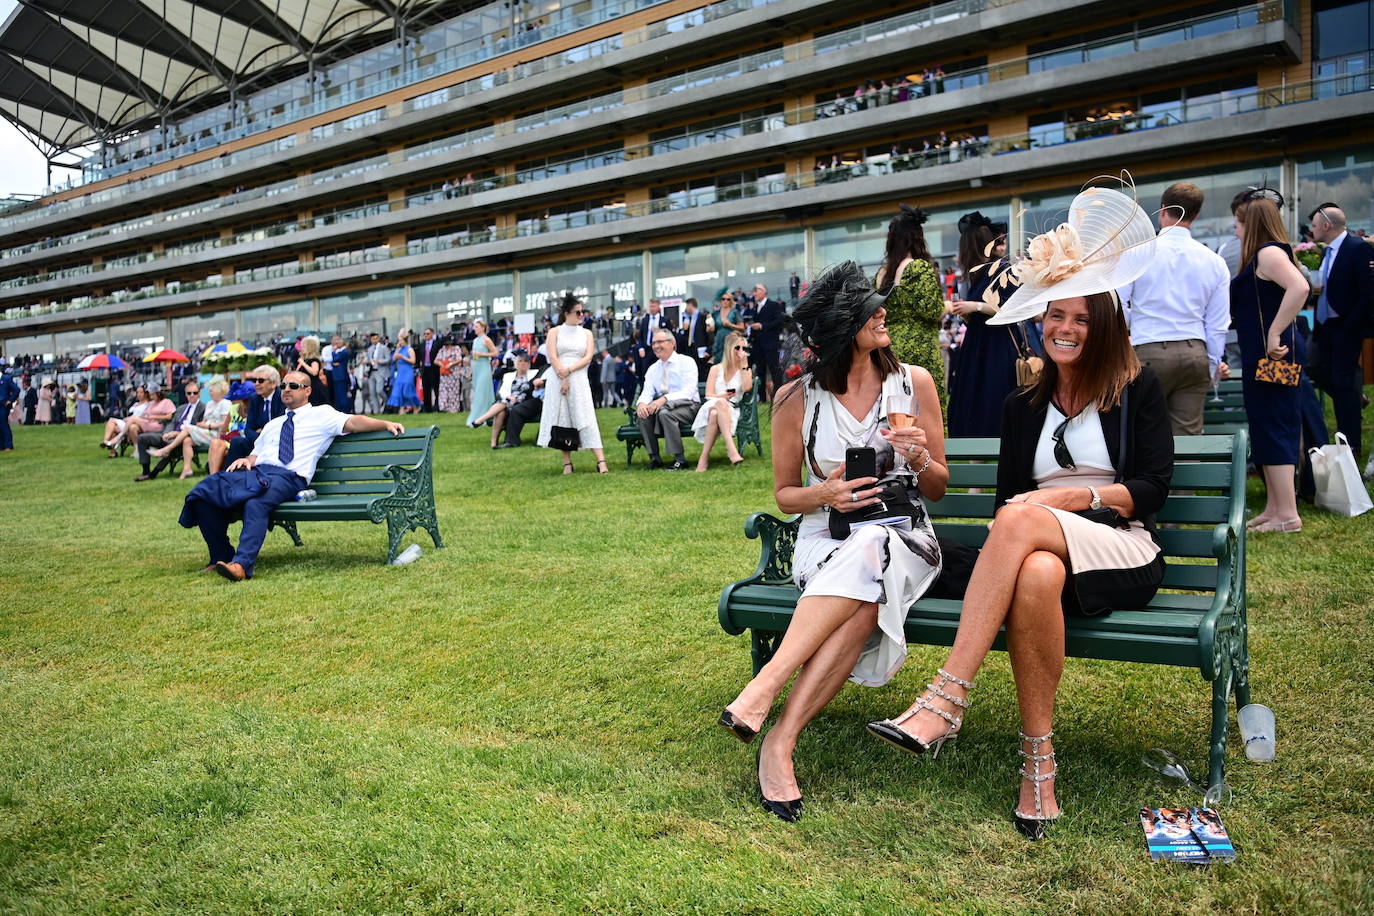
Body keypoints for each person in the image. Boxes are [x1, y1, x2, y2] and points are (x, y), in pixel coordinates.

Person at [865, 182, 1174, 840]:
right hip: (1043, 551)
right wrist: (1039, 513)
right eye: (1054, 316)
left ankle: (947, 698)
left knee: (1028, 521)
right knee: (1033, 570)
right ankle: (1039, 772)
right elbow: (1011, 502)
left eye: (1080, 319)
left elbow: (1151, 489)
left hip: (1121, 543)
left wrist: (1070, 496)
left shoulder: (1136, 385)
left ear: (1104, 326)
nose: (1064, 329)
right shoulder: (1021, 404)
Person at [718, 260, 947, 823]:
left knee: (876, 552)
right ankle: (779, 742)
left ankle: (766, 691)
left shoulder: (913, 383)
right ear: (846, 330)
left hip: (905, 535)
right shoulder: (796, 398)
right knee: (866, 581)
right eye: (872, 309)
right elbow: (784, 495)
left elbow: (939, 487)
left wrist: (916, 456)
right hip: (828, 537)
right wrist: (827, 495)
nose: (884, 312)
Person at [179, 371, 405, 581]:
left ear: (307, 391)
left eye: (293, 386)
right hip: (257, 473)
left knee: (256, 502)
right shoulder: (273, 424)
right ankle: (221, 555)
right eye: (284, 386)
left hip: (289, 477)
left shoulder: (322, 414)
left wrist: (384, 423)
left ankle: (241, 566)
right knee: (202, 494)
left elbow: (354, 422)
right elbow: (257, 454)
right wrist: (248, 460)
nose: (286, 389)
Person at [1118, 182, 1232, 436]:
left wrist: (1124, 342)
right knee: (1188, 438)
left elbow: (1119, 306)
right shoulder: (1214, 261)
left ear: (1162, 211)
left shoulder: (1139, 253)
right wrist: (1212, 365)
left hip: (1149, 347)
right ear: (1196, 215)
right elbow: (1217, 323)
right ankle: (1188, 476)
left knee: (1143, 433)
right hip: (1195, 352)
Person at [1231, 189, 1310, 533]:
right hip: (1264, 356)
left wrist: (1275, 333)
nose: (1235, 229)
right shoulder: (1267, 254)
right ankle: (1276, 507)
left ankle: (1287, 515)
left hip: (1272, 355)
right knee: (1267, 424)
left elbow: (1300, 288)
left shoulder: (1268, 253)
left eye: (1238, 222)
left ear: (1252, 223)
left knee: (1275, 424)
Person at [946, 211, 1022, 437]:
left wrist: (975, 307)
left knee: (992, 398)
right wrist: (969, 311)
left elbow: (1012, 308)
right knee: (976, 400)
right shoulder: (978, 273)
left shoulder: (1001, 269)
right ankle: (976, 455)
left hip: (997, 344)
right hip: (979, 343)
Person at [1307, 202, 1374, 456]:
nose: (1311, 231)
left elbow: (1367, 295)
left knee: (1344, 382)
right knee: (1315, 369)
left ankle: (1350, 446)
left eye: (1314, 225)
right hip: (1326, 327)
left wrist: (1350, 327)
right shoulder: (1326, 253)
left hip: (1346, 327)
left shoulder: (1358, 249)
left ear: (1326, 225)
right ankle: (1356, 399)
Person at [874, 204, 948, 414]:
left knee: (895, 409)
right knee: (927, 413)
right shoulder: (918, 267)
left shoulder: (881, 273)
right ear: (917, 237)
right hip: (920, 348)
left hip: (888, 348)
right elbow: (932, 310)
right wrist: (948, 306)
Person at [538, 295, 608, 474]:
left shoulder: (586, 333)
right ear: (567, 313)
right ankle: (567, 463)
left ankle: (601, 461)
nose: (581, 315)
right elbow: (553, 356)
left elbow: (588, 357)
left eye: (582, 311)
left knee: (586, 416)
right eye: (578, 312)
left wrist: (568, 372)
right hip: (557, 376)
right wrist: (562, 376)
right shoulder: (554, 332)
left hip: (578, 377)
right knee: (563, 418)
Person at [635, 329, 701, 470]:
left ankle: (680, 460)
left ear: (672, 343)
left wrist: (664, 399)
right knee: (643, 416)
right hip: (664, 407)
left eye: (660, 342)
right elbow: (647, 392)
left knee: (666, 414)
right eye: (653, 343)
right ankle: (655, 458)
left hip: (689, 406)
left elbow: (688, 392)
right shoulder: (653, 369)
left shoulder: (686, 362)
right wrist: (641, 404)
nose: (656, 346)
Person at [693, 332, 752, 471]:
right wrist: (722, 397)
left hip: (731, 409)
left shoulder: (745, 370)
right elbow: (708, 394)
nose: (741, 352)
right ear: (729, 349)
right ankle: (731, 449)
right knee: (719, 405)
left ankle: (703, 459)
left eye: (744, 349)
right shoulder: (716, 368)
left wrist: (744, 366)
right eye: (737, 348)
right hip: (711, 404)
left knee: (715, 414)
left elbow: (746, 387)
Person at [150, 379, 233, 479]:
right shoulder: (210, 404)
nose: (210, 393)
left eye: (212, 391)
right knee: (187, 440)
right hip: (205, 431)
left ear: (219, 392)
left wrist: (208, 426)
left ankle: (167, 449)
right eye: (210, 390)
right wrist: (202, 424)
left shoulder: (225, 403)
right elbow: (205, 420)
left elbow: (225, 423)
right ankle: (187, 468)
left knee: (188, 428)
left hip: (217, 434)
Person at [212, 366, 285, 473]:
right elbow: (249, 429)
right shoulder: (255, 399)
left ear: (273, 383)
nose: (256, 384)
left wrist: (262, 431)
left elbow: (278, 425)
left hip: (276, 442)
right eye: (254, 380)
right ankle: (229, 475)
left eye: (261, 380)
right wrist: (260, 438)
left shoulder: (282, 397)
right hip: (258, 440)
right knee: (237, 441)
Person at [134, 383, 205, 481]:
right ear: (185, 394)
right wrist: (166, 433)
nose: (192, 395)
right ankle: (146, 471)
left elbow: (197, 427)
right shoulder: (181, 408)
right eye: (189, 393)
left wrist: (176, 434)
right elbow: (173, 422)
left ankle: (153, 473)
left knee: (172, 446)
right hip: (170, 435)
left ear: (199, 394)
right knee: (142, 438)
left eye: (195, 393)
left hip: (185, 438)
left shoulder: (203, 408)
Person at [492, 353, 546, 447]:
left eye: (525, 361)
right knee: (516, 409)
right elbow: (530, 384)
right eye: (520, 361)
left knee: (505, 407)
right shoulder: (544, 368)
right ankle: (511, 441)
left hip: (544, 399)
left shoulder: (537, 371)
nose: (523, 364)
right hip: (528, 399)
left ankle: (480, 421)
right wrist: (534, 384)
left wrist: (543, 383)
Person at [747, 284, 785, 402]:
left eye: (757, 290)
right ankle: (762, 399)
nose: (755, 293)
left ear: (764, 292)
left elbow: (779, 321)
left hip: (770, 344)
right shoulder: (754, 309)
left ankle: (779, 397)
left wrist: (762, 326)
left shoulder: (773, 305)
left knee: (775, 371)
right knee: (760, 371)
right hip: (758, 345)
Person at [101, 384, 149, 456]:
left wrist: (130, 419)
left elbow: (146, 417)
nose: (138, 394)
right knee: (111, 422)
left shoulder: (148, 405)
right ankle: (106, 441)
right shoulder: (135, 404)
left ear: (146, 394)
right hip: (128, 423)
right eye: (137, 392)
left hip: (138, 424)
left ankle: (112, 447)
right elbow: (129, 414)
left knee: (130, 426)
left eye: (141, 392)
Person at [466, 319, 498, 424]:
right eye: (474, 327)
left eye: (477, 327)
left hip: (484, 367)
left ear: (483, 328)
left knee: (482, 391)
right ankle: (483, 416)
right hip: (477, 367)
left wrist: (483, 354)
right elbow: (474, 356)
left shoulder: (486, 339)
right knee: (477, 392)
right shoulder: (475, 340)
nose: (475, 329)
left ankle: (481, 417)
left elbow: (495, 353)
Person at [678, 297, 712, 382]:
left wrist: (709, 350)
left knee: (702, 371)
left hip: (701, 349)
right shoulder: (688, 319)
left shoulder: (703, 317)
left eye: (686, 306)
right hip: (691, 348)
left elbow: (709, 335)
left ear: (690, 305)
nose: (686, 309)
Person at [387, 330, 421, 414]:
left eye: (401, 340)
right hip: (400, 371)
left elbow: (413, 361)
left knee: (408, 389)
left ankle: (415, 407)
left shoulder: (410, 349)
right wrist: (397, 349)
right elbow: (393, 359)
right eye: (399, 340)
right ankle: (401, 408)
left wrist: (402, 357)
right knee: (399, 390)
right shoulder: (399, 349)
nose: (399, 342)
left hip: (408, 371)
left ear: (405, 341)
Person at [633, 299, 667, 379]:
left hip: (660, 349)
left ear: (658, 307)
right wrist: (641, 348)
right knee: (646, 373)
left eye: (654, 306)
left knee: (660, 372)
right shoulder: (645, 320)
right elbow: (641, 336)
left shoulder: (664, 320)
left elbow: (669, 335)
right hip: (647, 350)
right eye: (650, 306)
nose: (652, 308)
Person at [295, 336, 330, 407]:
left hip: (314, 389)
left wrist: (303, 363)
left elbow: (314, 372)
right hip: (306, 388)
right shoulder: (305, 360)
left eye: (304, 347)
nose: (302, 348)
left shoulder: (314, 360)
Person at [436, 334, 464, 413]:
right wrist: (442, 364)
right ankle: (444, 407)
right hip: (444, 374)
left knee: (453, 392)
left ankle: (454, 409)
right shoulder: (442, 350)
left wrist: (451, 364)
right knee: (444, 391)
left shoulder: (456, 349)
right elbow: (436, 360)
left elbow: (459, 359)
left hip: (453, 374)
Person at [418, 327, 442, 413]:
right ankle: (427, 408)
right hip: (425, 369)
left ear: (432, 334)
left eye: (428, 334)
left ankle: (437, 406)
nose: (426, 336)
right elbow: (420, 356)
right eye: (425, 334)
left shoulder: (437, 344)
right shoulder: (422, 344)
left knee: (436, 388)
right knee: (426, 389)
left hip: (434, 369)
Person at [364, 332, 390, 413]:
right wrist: (366, 365)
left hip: (380, 371)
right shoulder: (370, 349)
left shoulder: (383, 348)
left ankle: (388, 404)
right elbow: (368, 360)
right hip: (372, 372)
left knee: (379, 390)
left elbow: (388, 359)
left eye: (376, 338)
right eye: (373, 339)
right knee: (372, 392)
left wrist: (379, 361)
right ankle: (376, 411)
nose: (374, 340)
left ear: (378, 339)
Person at [328, 335, 352, 413]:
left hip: (341, 376)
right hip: (336, 376)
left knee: (342, 395)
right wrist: (333, 363)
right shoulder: (340, 352)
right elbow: (333, 362)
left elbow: (335, 359)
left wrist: (333, 352)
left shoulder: (344, 351)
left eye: (338, 341)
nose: (336, 343)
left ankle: (345, 411)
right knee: (338, 396)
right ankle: (339, 410)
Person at [0, 366, 18, 450]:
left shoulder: (6, 378)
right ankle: (2, 445)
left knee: (3, 424)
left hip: (4, 405)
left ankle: (8, 445)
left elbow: (16, 390)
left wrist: (10, 400)